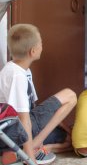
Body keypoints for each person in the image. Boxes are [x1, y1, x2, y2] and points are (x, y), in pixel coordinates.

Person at [0, 23, 77, 165]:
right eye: (41, 43)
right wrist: (30, 160)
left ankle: (27, 150)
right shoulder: (17, 76)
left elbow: (36, 109)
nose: (42, 46)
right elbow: (24, 120)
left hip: (19, 128)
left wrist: (67, 129)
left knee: (70, 139)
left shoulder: (20, 69)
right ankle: (29, 150)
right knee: (70, 95)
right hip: (13, 132)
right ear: (33, 51)